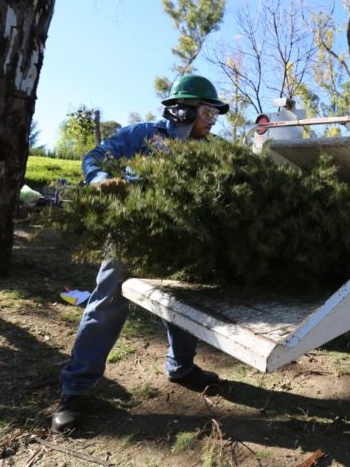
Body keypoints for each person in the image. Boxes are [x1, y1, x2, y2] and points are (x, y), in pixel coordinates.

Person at [51, 75, 229, 433]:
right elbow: (96, 156)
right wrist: (99, 178)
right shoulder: (144, 135)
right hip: (134, 233)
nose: (211, 122)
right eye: (207, 113)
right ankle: (75, 390)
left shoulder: (213, 149)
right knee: (107, 303)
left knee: (182, 303)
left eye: (214, 116)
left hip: (182, 236)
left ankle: (182, 367)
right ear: (182, 110)